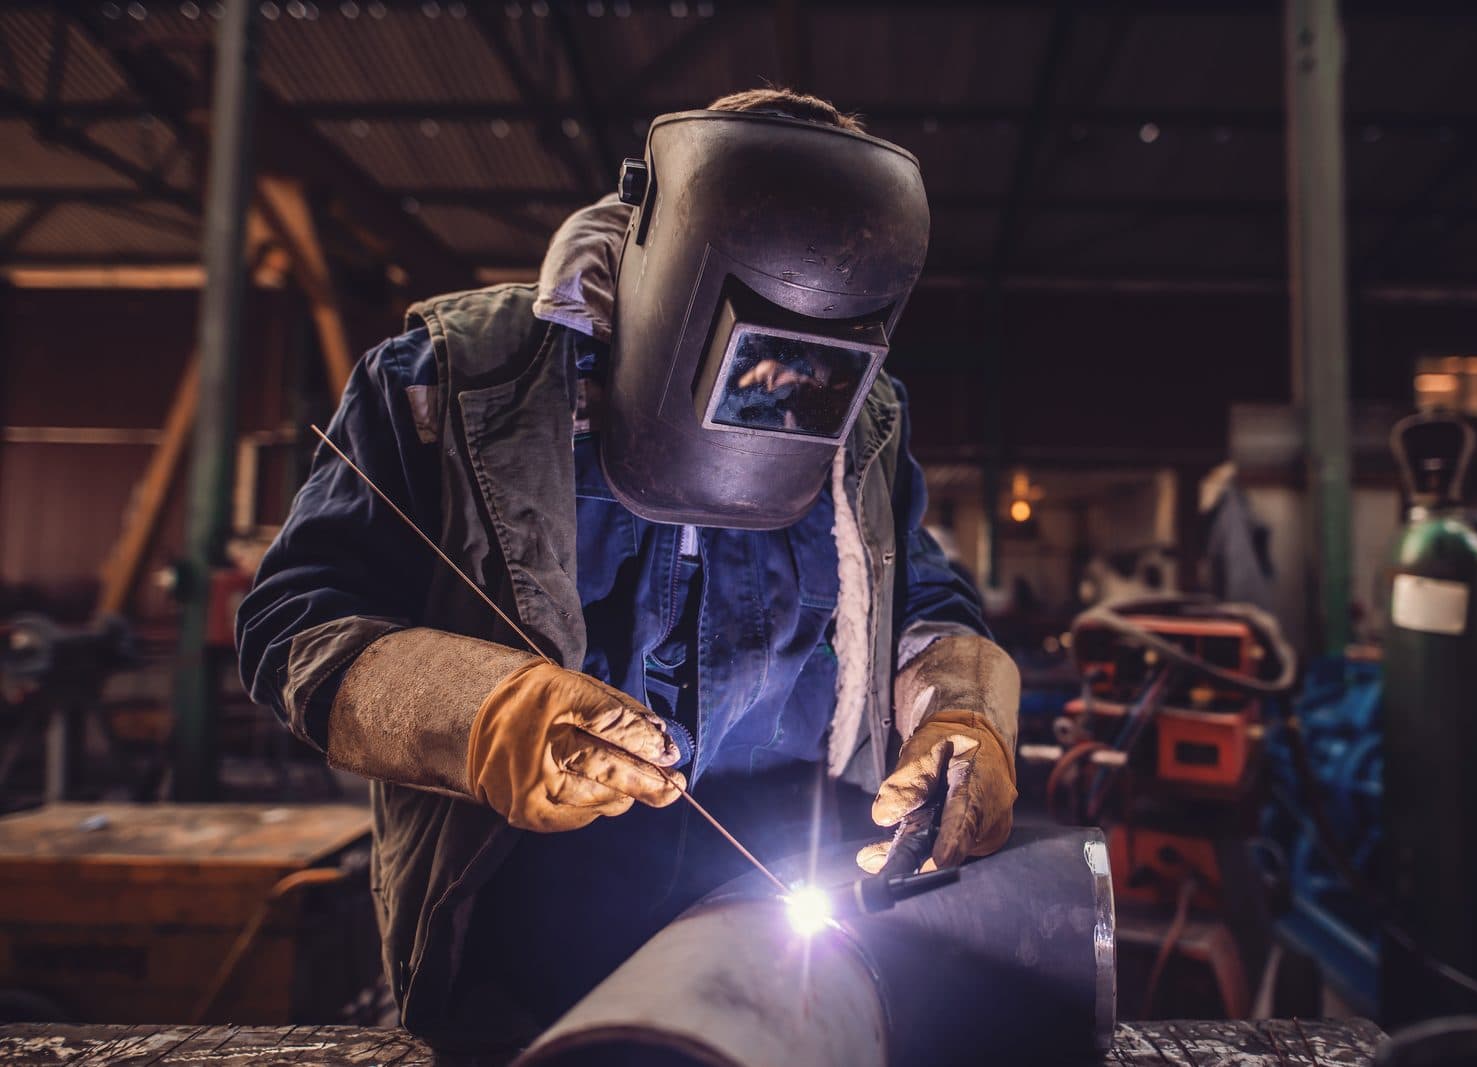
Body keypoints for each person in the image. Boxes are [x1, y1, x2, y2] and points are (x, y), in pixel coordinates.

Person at [236, 88, 1020, 1049]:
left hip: (793, 968)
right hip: (525, 977)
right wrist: (484, 715)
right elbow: (294, 626)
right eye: (750, 357)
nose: (777, 394)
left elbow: (923, 602)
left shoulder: (868, 418)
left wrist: (961, 711)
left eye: (806, 368)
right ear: (663, 268)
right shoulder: (448, 379)